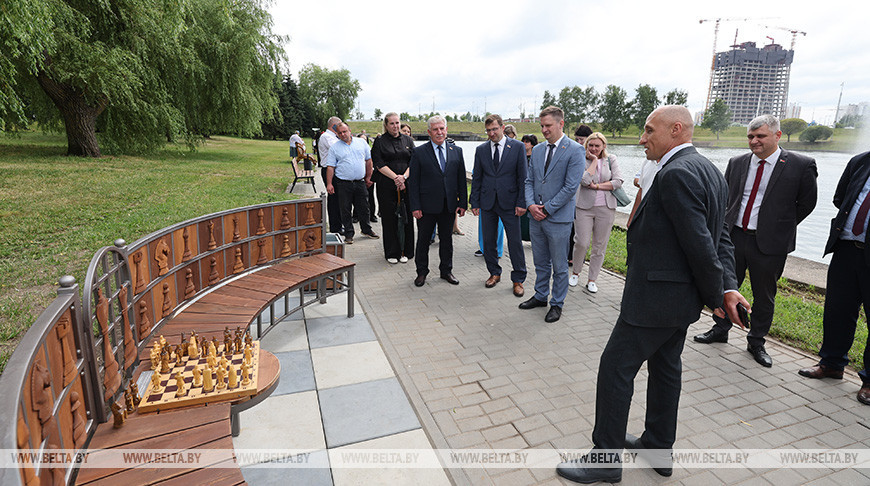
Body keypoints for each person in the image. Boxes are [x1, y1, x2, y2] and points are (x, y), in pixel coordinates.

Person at [556, 106, 748, 484]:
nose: (642, 138)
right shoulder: (709, 169)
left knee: (615, 369)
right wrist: (727, 287)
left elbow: (701, 246)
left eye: (648, 130)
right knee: (665, 369)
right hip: (678, 302)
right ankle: (659, 447)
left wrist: (719, 298)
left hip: (655, 300)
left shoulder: (675, 174)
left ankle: (606, 460)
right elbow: (720, 238)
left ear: (675, 130)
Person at [695, 115, 818, 368]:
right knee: (727, 284)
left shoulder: (801, 165)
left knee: (765, 294)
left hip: (770, 243)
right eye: (750, 136)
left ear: (777, 135)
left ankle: (756, 341)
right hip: (734, 237)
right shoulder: (737, 162)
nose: (754, 141)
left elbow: (807, 204)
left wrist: (780, 225)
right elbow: (727, 197)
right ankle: (720, 329)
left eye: (760, 136)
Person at [799, 150, 870, 406]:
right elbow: (841, 198)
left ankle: (869, 382)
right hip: (847, 248)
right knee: (837, 310)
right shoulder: (861, 161)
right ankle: (831, 364)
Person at [519, 106, 584, 323]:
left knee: (559, 265)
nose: (544, 130)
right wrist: (530, 206)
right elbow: (529, 181)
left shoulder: (575, 150)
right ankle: (540, 295)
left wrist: (546, 209)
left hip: (557, 218)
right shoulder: (537, 150)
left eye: (548, 126)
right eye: (542, 126)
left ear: (561, 124)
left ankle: (557, 303)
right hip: (535, 217)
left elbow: (570, 187)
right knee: (540, 261)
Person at [470, 114, 527, 297]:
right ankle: (494, 272)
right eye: (488, 130)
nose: (492, 133)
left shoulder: (517, 147)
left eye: (494, 129)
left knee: (515, 242)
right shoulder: (481, 150)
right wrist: (475, 202)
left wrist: (521, 202)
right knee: (488, 241)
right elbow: (477, 177)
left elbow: (522, 177)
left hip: (510, 203)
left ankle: (518, 279)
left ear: (502, 128)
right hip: (488, 203)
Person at [408, 115, 468, 287]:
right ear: (429, 132)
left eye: (442, 128)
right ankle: (421, 272)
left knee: (447, 240)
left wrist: (463, 203)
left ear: (446, 130)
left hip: (448, 205)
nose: (439, 132)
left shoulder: (456, 151)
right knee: (423, 241)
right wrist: (415, 206)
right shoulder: (419, 152)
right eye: (435, 129)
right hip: (426, 207)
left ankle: (446, 271)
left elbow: (461, 180)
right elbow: (414, 182)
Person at [569, 132, 624, 293]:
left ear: (603, 146)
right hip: (584, 207)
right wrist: (593, 161)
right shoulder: (581, 159)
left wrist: (598, 186)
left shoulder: (611, 159)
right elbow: (585, 180)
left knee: (599, 245)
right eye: (590, 145)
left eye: (597, 146)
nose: (593, 148)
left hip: (606, 207)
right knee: (581, 242)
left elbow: (618, 181)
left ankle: (592, 279)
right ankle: (575, 273)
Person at [323, 123, 380, 244]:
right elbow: (330, 167)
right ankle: (349, 233)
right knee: (345, 209)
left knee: (364, 207)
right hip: (343, 183)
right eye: (340, 133)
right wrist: (329, 184)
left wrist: (369, 177)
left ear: (350, 130)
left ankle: (366, 229)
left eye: (345, 131)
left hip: (360, 182)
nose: (343, 134)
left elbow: (368, 160)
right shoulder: (334, 147)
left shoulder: (361, 143)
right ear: (337, 134)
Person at [371, 112, 415, 264]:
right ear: (386, 125)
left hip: (406, 184)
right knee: (390, 219)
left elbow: (413, 161)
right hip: (386, 185)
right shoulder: (380, 141)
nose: (395, 126)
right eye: (392, 123)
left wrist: (404, 177)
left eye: (397, 123)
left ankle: (407, 251)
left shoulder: (408, 139)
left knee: (407, 217)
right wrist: (395, 178)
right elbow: (379, 162)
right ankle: (392, 252)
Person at [568, 125, 593, 266]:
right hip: (573, 196)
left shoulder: (597, 157)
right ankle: (570, 254)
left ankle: (577, 257)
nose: (579, 142)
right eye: (576, 139)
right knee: (571, 228)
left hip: (587, 199)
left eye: (581, 139)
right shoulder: (575, 153)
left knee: (581, 231)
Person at [318, 117, 344, 234]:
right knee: (334, 199)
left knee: (338, 199)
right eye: (339, 125)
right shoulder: (326, 137)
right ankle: (335, 227)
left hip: (335, 170)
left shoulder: (333, 137)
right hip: (328, 170)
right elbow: (339, 148)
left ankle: (339, 224)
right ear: (333, 125)